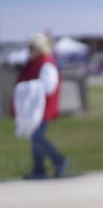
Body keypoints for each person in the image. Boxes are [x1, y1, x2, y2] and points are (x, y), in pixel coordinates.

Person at [15, 34, 68, 179]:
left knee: (36, 136)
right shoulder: (32, 63)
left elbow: (49, 86)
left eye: (32, 48)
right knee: (34, 137)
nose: (30, 51)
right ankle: (39, 169)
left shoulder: (46, 63)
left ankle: (59, 160)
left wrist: (27, 87)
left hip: (42, 107)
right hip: (33, 107)